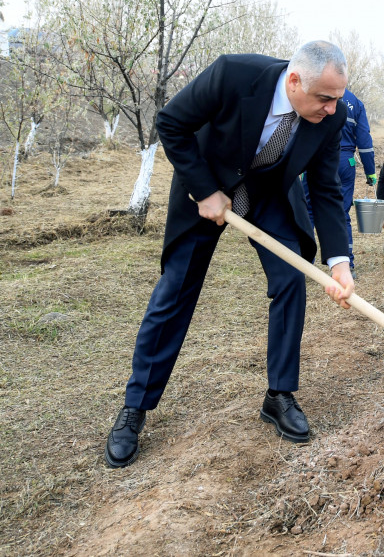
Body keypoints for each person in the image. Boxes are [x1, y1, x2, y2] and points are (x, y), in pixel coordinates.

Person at [104, 40, 356, 468]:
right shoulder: (233, 75)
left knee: (291, 279)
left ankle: (279, 395)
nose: (333, 109)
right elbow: (172, 124)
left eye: (338, 98)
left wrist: (340, 261)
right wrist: (204, 191)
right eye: (325, 98)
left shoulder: (331, 117)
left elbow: (327, 189)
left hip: (270, 193)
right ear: (294, 81)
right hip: (205, 184)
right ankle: (136, 406)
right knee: (176, 290)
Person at [302, 89, 376, 278]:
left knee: (307, 210)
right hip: (344, 162)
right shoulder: (356, 103)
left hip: (316, 157)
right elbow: (364, 139)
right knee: (341, 212)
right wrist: (370, 171)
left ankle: (303, 263)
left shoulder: (318, 94)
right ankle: (347, 263)